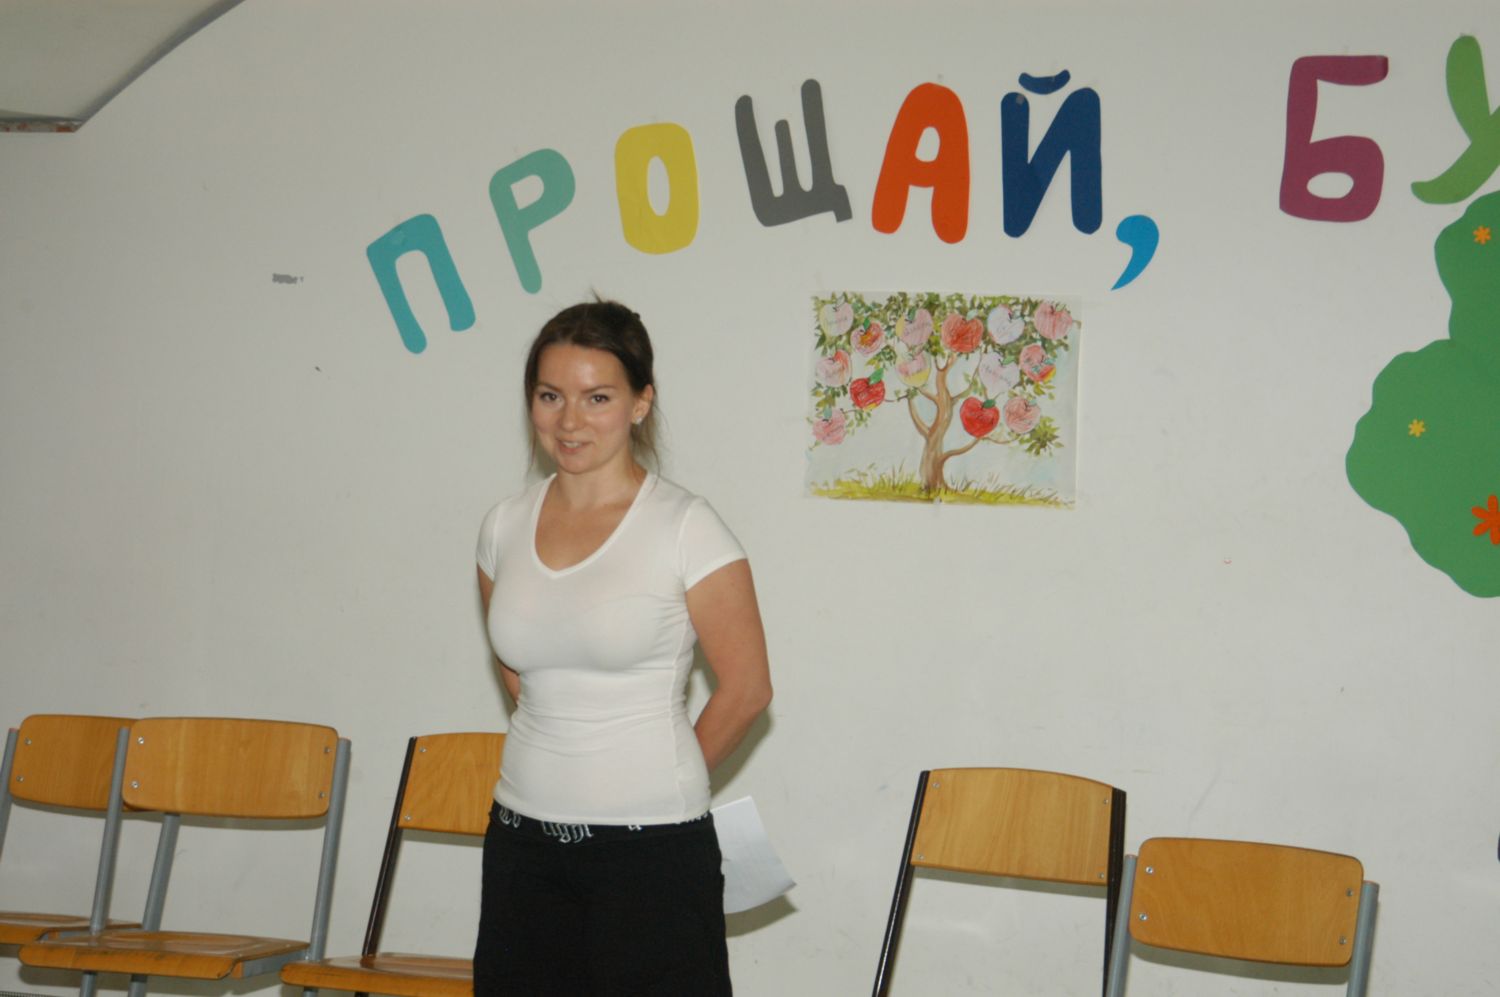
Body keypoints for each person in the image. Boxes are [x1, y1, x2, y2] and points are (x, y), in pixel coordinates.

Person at [472, 300, 772, 995]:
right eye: (550, 395)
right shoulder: (502, 526)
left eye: (597, 397)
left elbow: (748, 689)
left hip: (651, 852)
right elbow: (521, 674)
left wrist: (649, 777)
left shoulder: (688, 526)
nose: (569, 420)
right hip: (521, 844)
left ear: (641, 403)